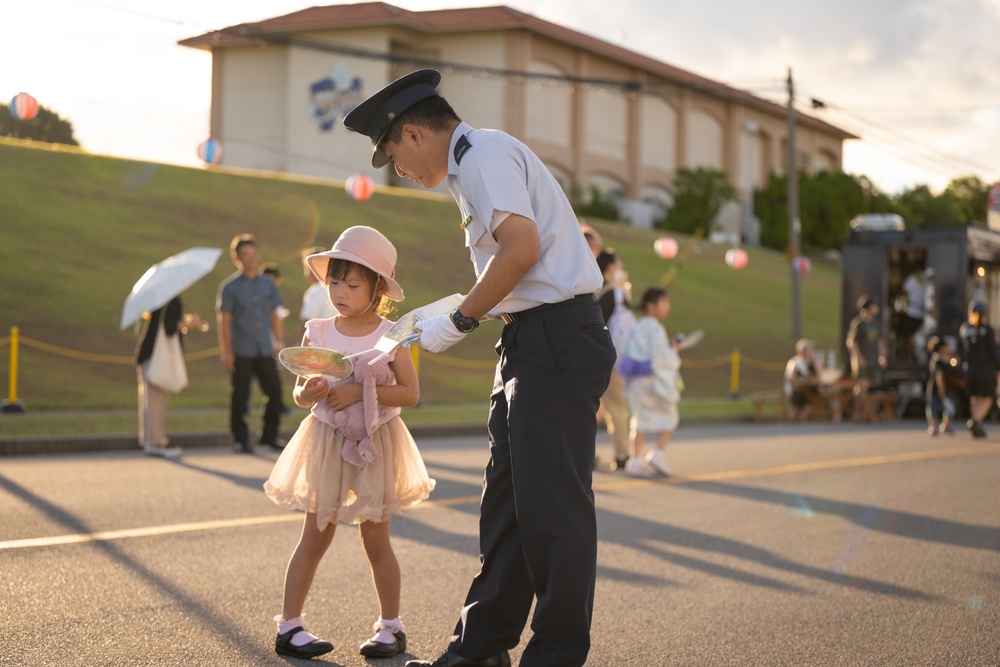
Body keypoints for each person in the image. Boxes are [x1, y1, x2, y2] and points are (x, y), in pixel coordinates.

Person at [344, 68, 615, 667]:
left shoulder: (484, 154)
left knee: (552, 512)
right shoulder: (471, 166)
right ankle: (479, 650)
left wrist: (460, 320)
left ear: (414, 134)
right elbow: (515, 262)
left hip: (556, 339)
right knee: (508, 510)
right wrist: (449, 315)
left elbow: (522, 249)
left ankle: (556, 655)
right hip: (530, 340)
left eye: (395, 156)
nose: (402, 172)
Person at [264, 226, 435, 660]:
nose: (339, 292)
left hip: (377, 439)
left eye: (352, 284)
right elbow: (301, 394)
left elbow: (410, 394)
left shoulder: (394, 333)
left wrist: (360, 392)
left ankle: (391, 627)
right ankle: (290, 626)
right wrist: (312, 391)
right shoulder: (319, 331)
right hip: (326, 437)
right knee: (315, 534)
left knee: (375, 538)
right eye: (334, 282)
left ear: (377, 288)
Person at [216, 233, 287, 453]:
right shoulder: (230, 287)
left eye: (254, 253)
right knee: (240, 396)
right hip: (241, 350)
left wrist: (278, 342)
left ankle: (269, 434)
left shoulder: (268, 284)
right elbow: (224, 321)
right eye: (246, 255)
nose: (251, 258)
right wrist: (227, 352)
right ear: (237, 258)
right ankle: (240, 439)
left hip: (265, 348)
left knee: (275, 392)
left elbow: (275, 315)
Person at [622, 287, 680, 478]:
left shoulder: (637, 326)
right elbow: (660, 359)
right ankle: (658, 453)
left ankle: (636, 460)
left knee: (640, 419)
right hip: (652, 381)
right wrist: (673, 351)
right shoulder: (655, 328)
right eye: (664, 302)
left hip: (637, 380)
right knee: (670, 415)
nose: (667, 306)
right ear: (651, 305)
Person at [135, 296, 202, 458]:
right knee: (157, 400)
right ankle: (156, 442)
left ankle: (150, 440)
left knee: (149, 401)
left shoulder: (158, 299)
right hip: (157, 357)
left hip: (147, 353)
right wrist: (190, 323)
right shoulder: (173, 300)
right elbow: (169, 328)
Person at [595, 249, 632, 470]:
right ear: (610, 268)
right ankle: (622, 454)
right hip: (614, 360)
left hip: (596, 358)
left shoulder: (593, 291)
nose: (621, 267)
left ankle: (584, 453)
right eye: (618, 264)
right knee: (618, 408)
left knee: (596, 408)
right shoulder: (615, 294)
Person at [959, 301, 999, 438]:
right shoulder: (987, 330)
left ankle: (977, 424)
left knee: (974, 398)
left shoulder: (964, 329)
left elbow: (962, 351)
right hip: (985, 370)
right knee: (987, 398)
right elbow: (993, 352)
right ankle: (975, 421)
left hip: (969, 370)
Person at [846, 295, 887, 407]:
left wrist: (882, 356)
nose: (877, 308)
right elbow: (851, 342)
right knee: (862, 385)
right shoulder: (859, 323)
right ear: (868, 308)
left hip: (873, 359)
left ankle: (863, 411)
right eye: (874, 306)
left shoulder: (875, 323)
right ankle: (857, 411)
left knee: (868, 385)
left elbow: (880, 341)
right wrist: (859, 358)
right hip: (862, 361)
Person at [783, 338, 822, 422]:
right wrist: (803, 380)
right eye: (809, 349)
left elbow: (819, 378)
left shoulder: (814, 362)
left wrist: (811, 380)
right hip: (798, 390)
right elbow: (790, 379)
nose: (812, 351)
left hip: (812, 389)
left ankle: (802, 417)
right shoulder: (795, 362)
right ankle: (794, 418)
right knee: (799, 398)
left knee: (814, 397)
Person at [925, 336, 956, 436]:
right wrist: (941, 388)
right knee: (934, 407)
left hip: (942, 388)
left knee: (946, 408)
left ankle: (945, 425)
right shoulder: (938, 360)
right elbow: (939, 376)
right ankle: (934, 426)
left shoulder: (943, 359)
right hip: (936, 388)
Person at [299, 245, 338, 322]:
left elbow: (307, 324)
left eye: (307, 268)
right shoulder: (338, 288)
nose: (307, 273)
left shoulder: (315, 292)